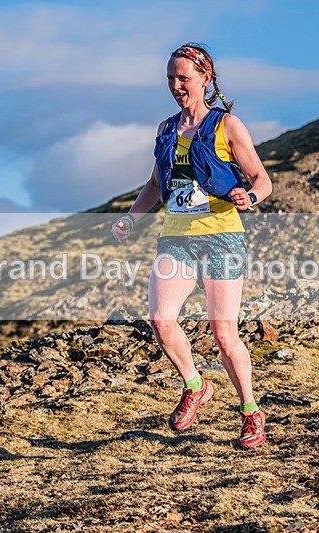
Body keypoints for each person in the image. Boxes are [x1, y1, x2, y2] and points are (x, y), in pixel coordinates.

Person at [111, 43, 273, 449]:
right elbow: (153, 185)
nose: (176, 86)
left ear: (205, 78)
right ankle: (195, 385)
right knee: (162, 321)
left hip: (222, 236)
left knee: (223, 333)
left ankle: (251, 412)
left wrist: (249, 197)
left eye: (184, 78)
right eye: (170, 79)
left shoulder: (227, 126)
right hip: (177, 239)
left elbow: (261, 178)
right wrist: (131, 218)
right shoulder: (166, 129)